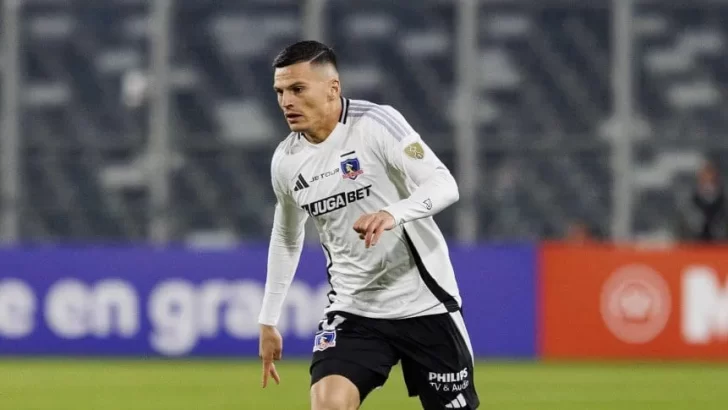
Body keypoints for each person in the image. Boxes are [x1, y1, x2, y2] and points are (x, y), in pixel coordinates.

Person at [258, 40, 479, 410]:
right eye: (280, 92)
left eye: (297, 89)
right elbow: (286, 235)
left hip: (426, 304)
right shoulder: (286, 161)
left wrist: (394, 213)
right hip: (354, 310)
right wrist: (268, 319)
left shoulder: (376, 123)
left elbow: (444, 184)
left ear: (333, 88)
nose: (286, 102)